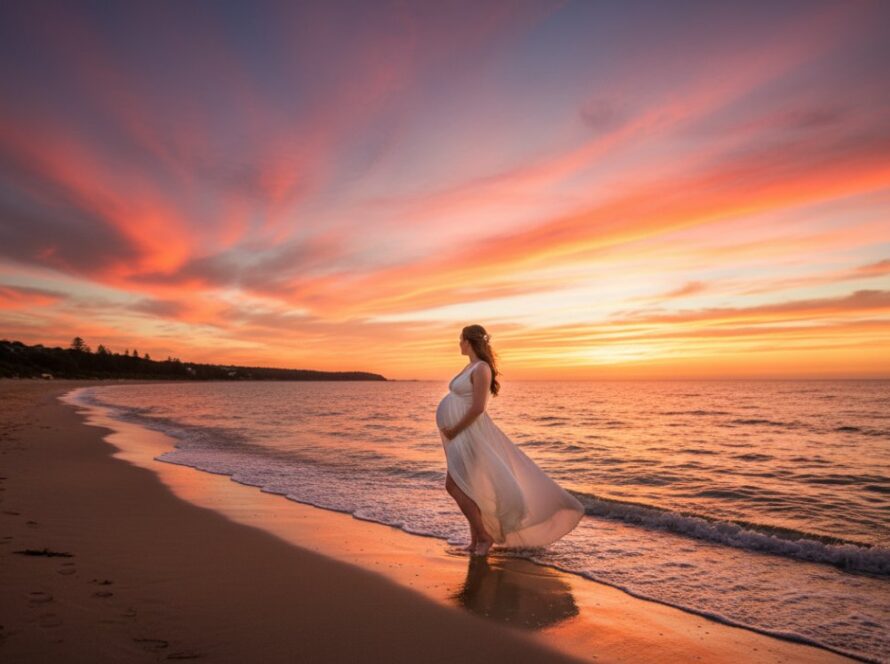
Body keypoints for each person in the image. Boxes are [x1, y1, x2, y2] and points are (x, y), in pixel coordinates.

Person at [437, 325, 585, 556]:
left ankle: (484, 537)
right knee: (467, 487)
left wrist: (455, 430)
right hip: (460, 436)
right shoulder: (471, 366)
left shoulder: (482, 369)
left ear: (470, 341)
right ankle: (476, 541)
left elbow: (478, 408)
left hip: (469, 434)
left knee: (454, 485)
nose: (459, 343)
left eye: (461, 339)